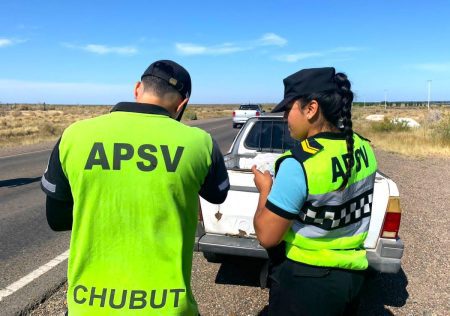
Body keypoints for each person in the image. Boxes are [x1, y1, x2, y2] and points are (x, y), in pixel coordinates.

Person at [41, 60, 230, 315]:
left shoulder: (75, 135)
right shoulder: (200, 143)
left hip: (88, 304)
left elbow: (57, 219)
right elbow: (217, 194)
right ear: (182, 105)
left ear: (137, 89)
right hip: (169, 307)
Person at [252, 67, 377, 315]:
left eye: (289, 110)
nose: (285, 117)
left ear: (311, 109)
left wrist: (264, 190)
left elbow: (267, 236)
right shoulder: (363, 148)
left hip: (306, 282)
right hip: (352, 276)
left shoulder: (299, 163)